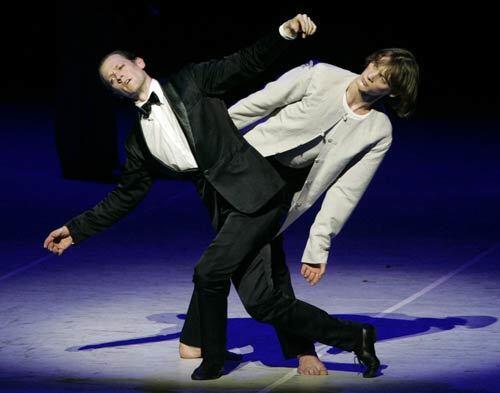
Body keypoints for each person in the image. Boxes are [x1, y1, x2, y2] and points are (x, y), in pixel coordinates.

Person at [180, 49, 419, 376]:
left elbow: (346, 190)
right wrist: (209, 140)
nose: (372, 76)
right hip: (244, 166)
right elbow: (259, 103)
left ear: (392, 92)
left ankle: (207, 343)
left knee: (230, 261)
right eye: (376, 66)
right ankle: (210, 341)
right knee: (234, 255)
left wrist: (318, 244)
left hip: (280, 194)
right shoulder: (321, 76)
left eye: (384, 79)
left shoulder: (378, 130)